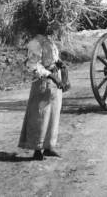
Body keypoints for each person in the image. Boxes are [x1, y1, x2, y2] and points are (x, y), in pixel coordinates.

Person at [18, 28, 70, 160]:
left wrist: (61, 66)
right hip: (43, 82)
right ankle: (37, 150)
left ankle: (48, 147)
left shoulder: (48, 40)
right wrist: (52, 77)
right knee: (40, 114)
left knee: (53, 114)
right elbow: (33, 66)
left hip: (53, 81)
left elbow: (54, 57)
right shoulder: (35, 43)